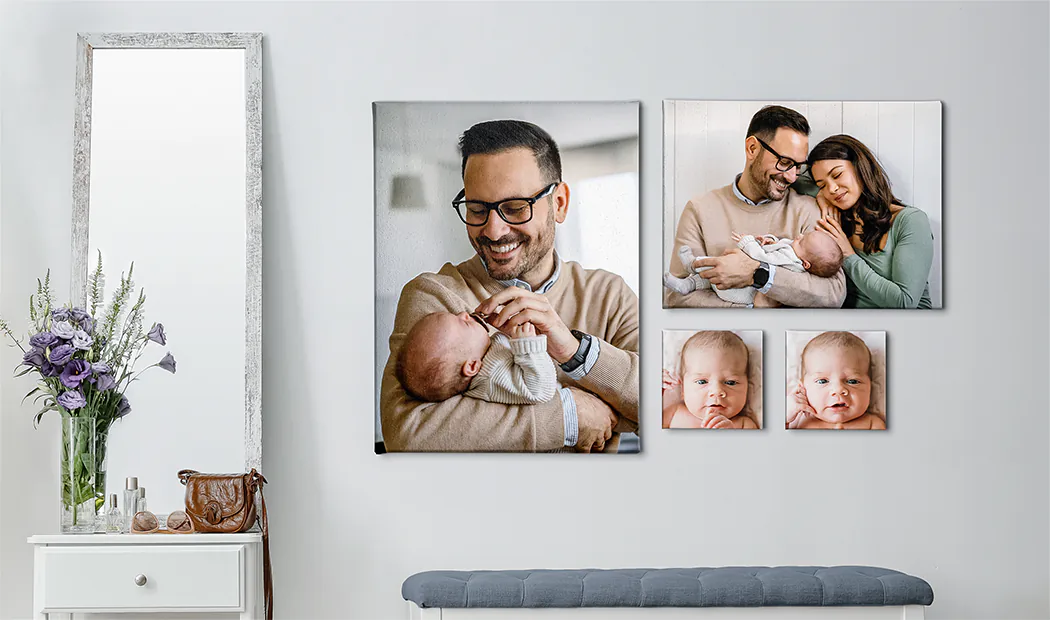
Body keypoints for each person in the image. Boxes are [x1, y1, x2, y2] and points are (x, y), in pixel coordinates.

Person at [380, 119, 639, 452]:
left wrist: (573, 351)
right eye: (477, 209)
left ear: (558, 203)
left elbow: (668, 403)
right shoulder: (434, 296)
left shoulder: (610, 295)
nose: (494, 230)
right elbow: (408, 433)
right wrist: (570, 415)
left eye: (516, 208)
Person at [665, 105, 846, 308]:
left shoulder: (807, 210)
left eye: (798, 166)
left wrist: (757, 273)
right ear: (752, 148)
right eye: (785, 162)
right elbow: (676, 297)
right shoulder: (699, 209)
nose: (792, 176)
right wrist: (754, 309)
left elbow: (833, 294)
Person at [808, 134, 935, 309]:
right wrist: (820, 196)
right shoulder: (841, 219)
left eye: (837, 175)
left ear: (860, 167)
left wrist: (848, 255)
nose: (832, 189)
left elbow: (904, 303)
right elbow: (793, 179)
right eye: (822, 185)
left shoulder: (910, 220)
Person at [395, 311, 557, 405]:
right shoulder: (491, 377)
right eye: (464, 323)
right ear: (472, 366)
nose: (464, 313)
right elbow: (541, 391)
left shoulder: (483, 357)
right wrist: (528, 345)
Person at [662, 228, 843, 306]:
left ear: (805, 264)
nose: (800, 235)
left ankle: (692, 264)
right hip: (732, 289)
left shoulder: (791, 261)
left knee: (712, 265)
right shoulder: (797, 253)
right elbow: (779, 248)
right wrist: (771, 240)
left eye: (802, 240)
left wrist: (747, 241)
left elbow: (762, 257)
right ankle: (687, 285)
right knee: (710, 277)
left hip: (738, 292)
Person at [786, 331, 885, 430]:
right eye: (822, 381)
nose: (838, 390)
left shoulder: (872, 424)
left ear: (870, 386)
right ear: (802, 389)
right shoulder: (797, 421)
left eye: (852, 381)